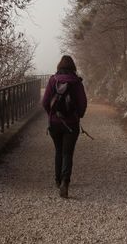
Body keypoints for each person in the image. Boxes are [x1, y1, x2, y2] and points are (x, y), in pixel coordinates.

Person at [42, 55, 87, 198]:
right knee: (68, 153)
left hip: (55, 123)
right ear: (73, 67)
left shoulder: (52, 80)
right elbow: (82, 103)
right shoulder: (76, 82)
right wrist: (78, 115)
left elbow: (44, 102)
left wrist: (52, 114)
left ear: (59, 66)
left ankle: (57, 180)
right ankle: (65, 183)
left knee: (59, 151)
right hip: (71, 124)